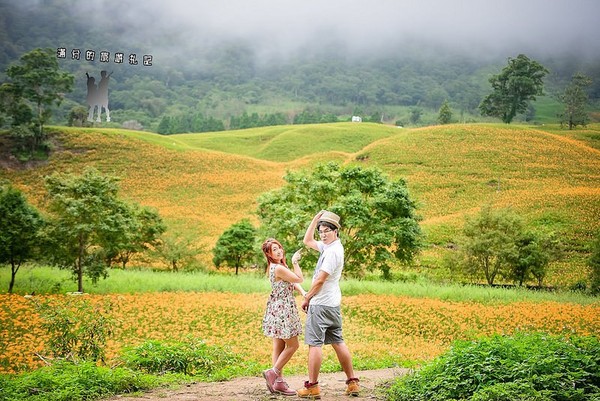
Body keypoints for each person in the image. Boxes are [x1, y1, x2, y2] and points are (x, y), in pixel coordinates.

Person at [296, 210, 360, 398]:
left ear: (336, 231)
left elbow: (319, 281)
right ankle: (352, 383)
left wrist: (307, 297)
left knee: (314, 345)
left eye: (326, 230)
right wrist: (316, 219)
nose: (322, 234)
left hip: (321, 304)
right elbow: (307, 241)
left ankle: (312, 387)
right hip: (332, 304)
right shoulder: (330, 247)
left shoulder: (332, 252)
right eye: (321, 231)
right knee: (338, 342)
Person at [261, 238, 307, 396]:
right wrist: (295, 263)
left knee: (278, 346)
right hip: (283, 310)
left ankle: (277, 383)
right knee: (293, 345)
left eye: (279, 247)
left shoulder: (276, 267)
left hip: (277, 309)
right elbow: (298, 278)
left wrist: (303, 293)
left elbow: (293, 283)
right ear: (268, 253)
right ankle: (272, 373)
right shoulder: (278, 268)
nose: (279, 250)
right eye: (275, 249)